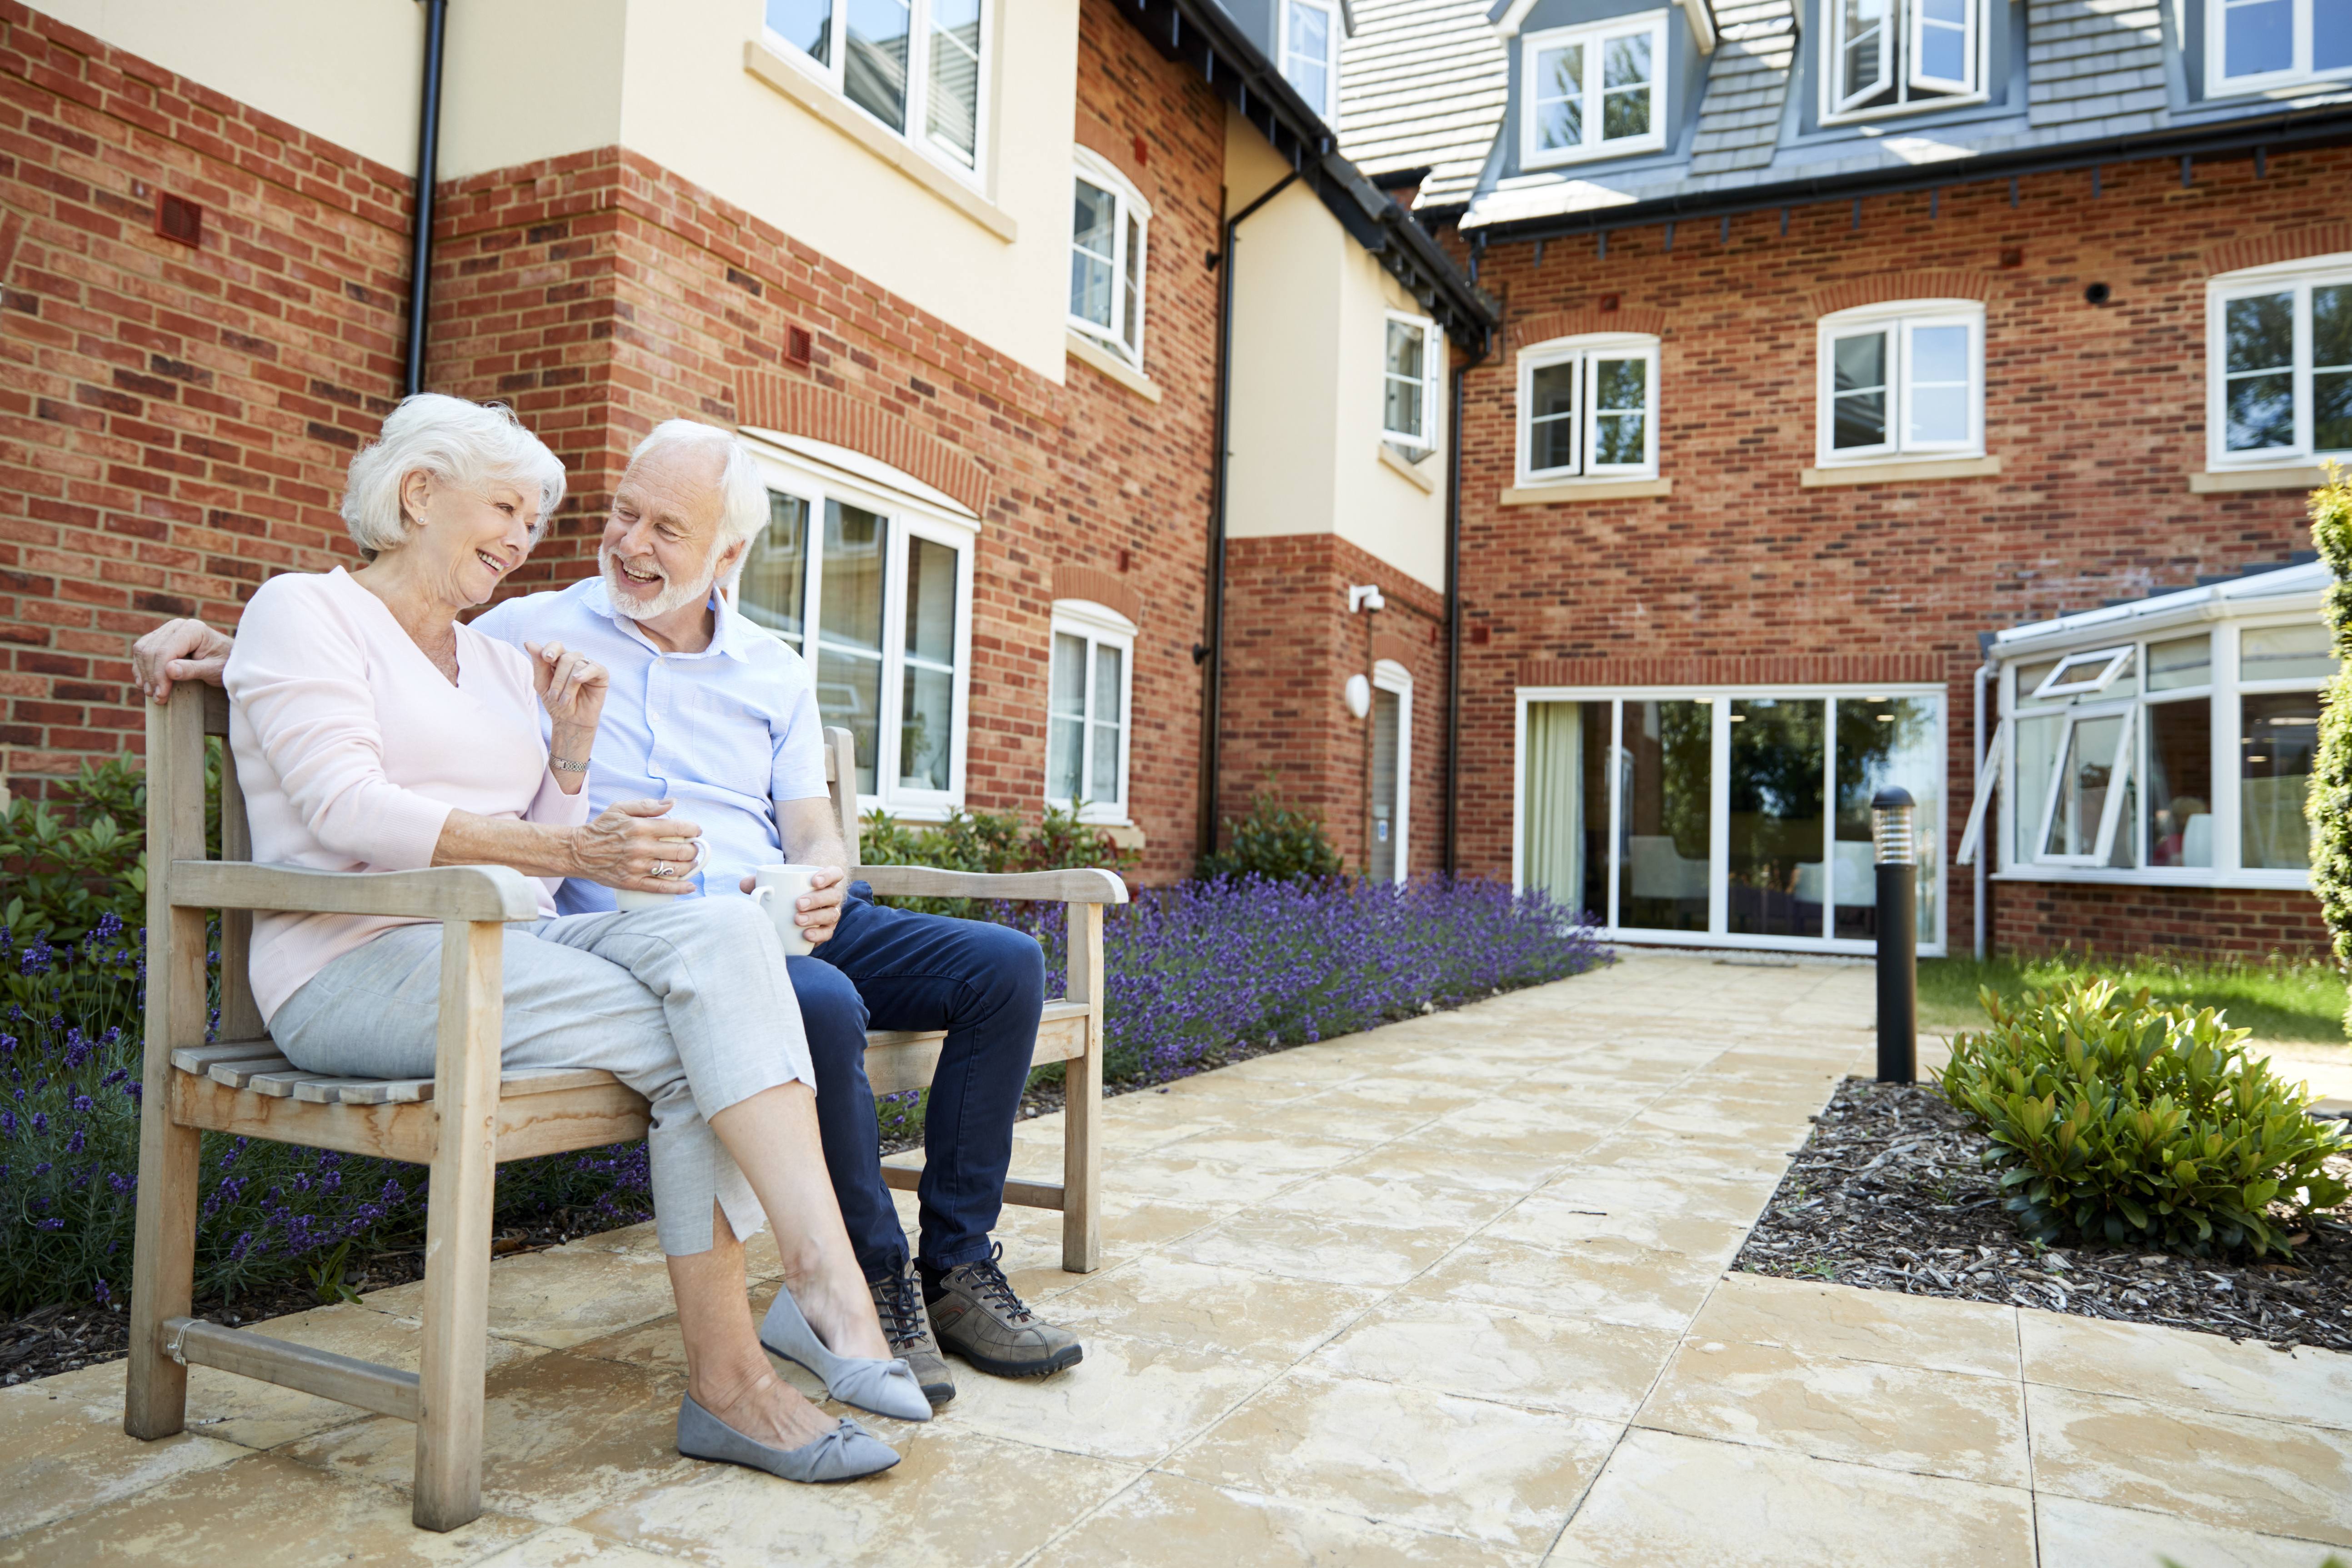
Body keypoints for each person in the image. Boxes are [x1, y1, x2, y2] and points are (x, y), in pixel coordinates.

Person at [135, 419, 1084, 1405]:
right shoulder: (527, 625)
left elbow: (806, 823)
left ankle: (953, 1270)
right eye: (621, 515)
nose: (630, 544)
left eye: (665, 529)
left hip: (753, 913)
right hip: (588, 933)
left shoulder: (750, 665)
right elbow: (373, 655)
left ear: (727, 555)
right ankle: (860, 1285)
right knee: (807, 1004)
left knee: (1002, 966)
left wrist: (822, 873)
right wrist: (237, 645)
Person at [218, 393, 921, 1485]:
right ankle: (780, 1343)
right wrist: (571, 853)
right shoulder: (303, 612)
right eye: (504, 508)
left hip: (508, 956)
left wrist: (573, 754)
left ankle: (805, 1305)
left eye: (537, 523)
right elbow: (342, 808)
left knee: (727, 943)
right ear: (418, 495)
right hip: (354, 965)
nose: (522, 541)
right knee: (710, 1032)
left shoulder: (502, 661)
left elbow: (547, 842)